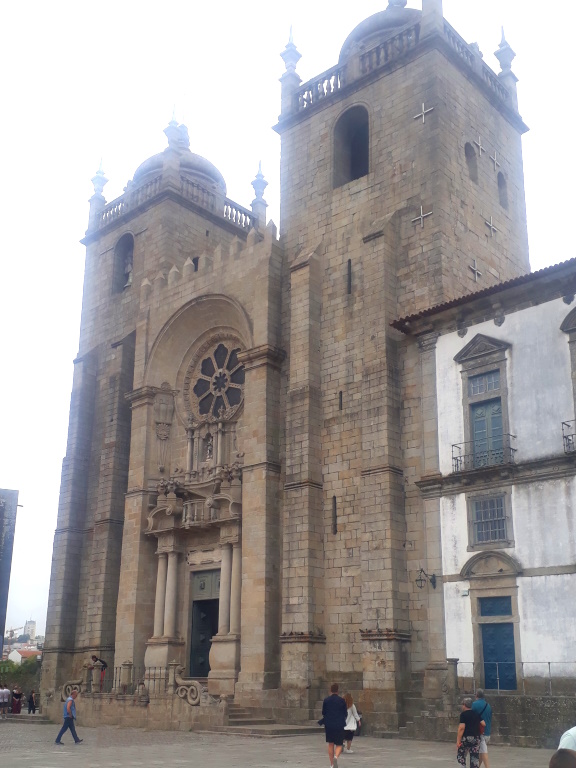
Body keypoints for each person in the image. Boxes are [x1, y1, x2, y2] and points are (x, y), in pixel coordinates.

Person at [321, 683, 347, 768]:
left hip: (329, 725)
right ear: (337, 691)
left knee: (330, 744)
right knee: (339, 744)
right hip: (339, 724)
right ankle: (336, 757)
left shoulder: (326, 700)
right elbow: (345, 713)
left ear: (330, 690)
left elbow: (323, 712)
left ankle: (332, 764)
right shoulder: (342, 700)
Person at [456, 697, 484, 768]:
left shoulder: (463, 715)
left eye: (462, 704)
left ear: (465, 705)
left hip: (466, 738)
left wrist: (458, 740)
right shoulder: (476, 714)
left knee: (461, 755)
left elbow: (461, 728)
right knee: (474, 758)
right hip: (476, 738)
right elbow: (483, 723)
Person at [471, 689, 492, 768]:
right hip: (487, 732)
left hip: (479, 732)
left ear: (476, 695)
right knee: (481, 753)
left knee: (483, 752)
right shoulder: (488, 705)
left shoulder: (474, 705)